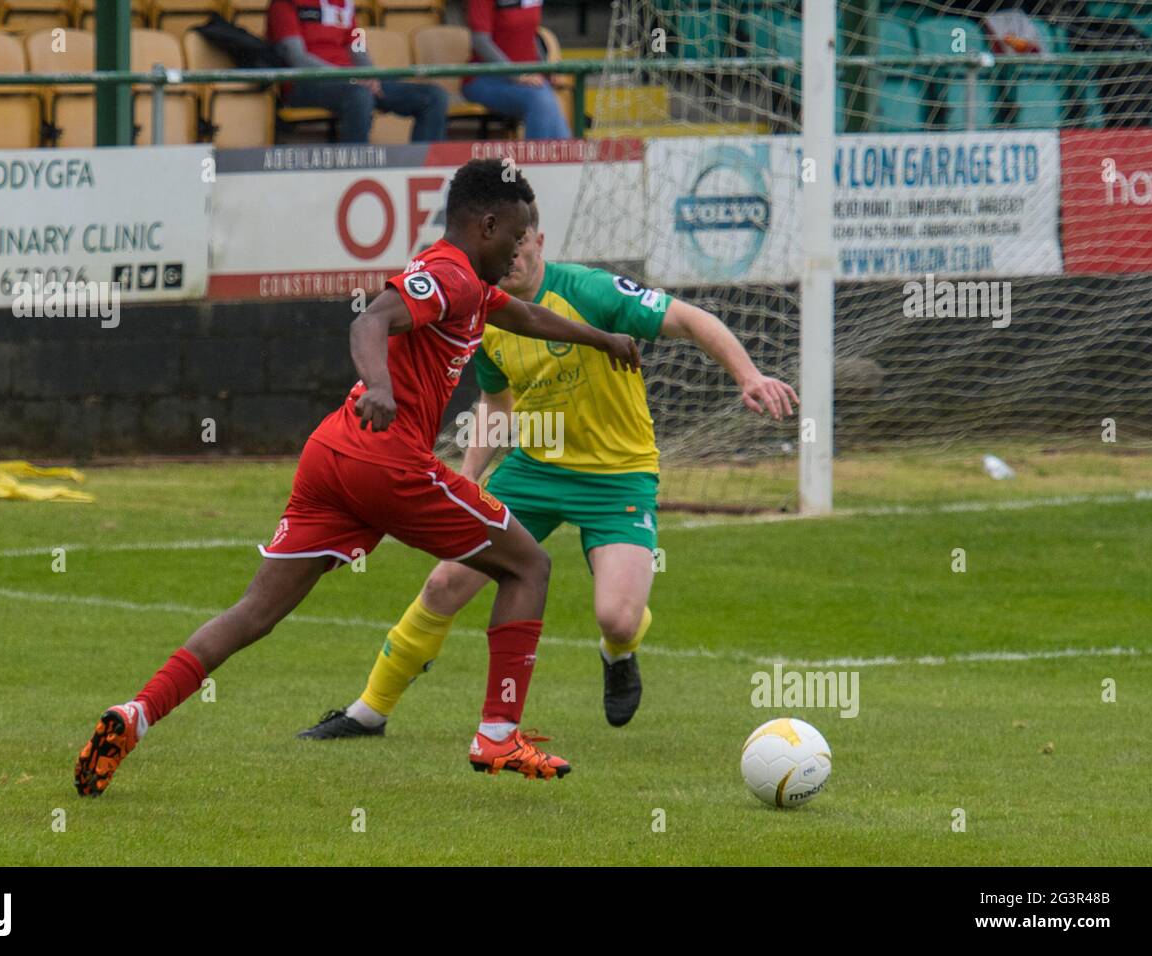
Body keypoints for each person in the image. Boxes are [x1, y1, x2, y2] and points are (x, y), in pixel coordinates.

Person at [73, 160, 643, 796]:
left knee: (254, 611)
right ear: (487, 224)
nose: (519, 250)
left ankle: (137, 713)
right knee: (528, 567)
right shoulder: (449, 274)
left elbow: (529, 318)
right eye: (515, 236)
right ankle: (497, 735)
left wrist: (603, 340)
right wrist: (379, 384)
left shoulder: (471, 284)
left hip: (332, 456)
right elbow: (369, 319)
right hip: (386, 461)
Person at [300, 202, 798, 740]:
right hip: (532, 472)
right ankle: (368, 712)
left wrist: (747, 375)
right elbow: (494, 404)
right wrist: (468, 475)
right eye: (504, 248)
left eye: (521, 245)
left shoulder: (588, 292)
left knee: (618, 617)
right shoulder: (486, 314)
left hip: (618, 476)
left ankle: (618, 653)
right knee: (446, 583)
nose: (512, 257)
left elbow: (689, 318)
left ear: (539, 239)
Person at [267, 0, 449, 142]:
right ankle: (356, 170)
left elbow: (358, 45)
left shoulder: (346, 4)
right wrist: (349, 78)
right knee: (359, 95)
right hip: (304, 83)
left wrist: (370, 75)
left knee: (433, 96)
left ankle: (424, 169)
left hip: (351, 81)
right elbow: (297, 57)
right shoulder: (284, 3)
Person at [463, 0, 571, 140]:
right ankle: (541, 159)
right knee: (540, 99)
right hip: (485, 78)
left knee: (545, 97)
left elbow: (530, 33)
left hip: (528, 77)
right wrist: (516, 74)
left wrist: (545, 69)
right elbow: (480, 42)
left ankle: (562, 158)